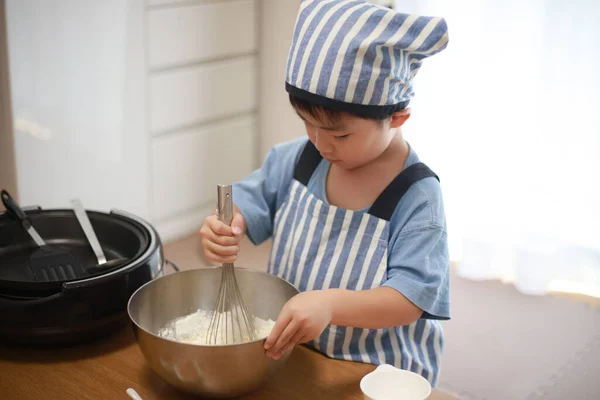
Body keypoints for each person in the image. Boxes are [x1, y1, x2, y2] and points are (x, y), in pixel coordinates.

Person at [199, 0, 450, 386]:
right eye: (307, 124)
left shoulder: (417, 197)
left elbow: (409, 300)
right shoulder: (297, 160)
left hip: (373, 373)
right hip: (293, 353)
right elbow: (247, 202)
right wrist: (226, 225)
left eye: (340, 135)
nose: (320, 145)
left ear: (397, 117)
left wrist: (329, 304)